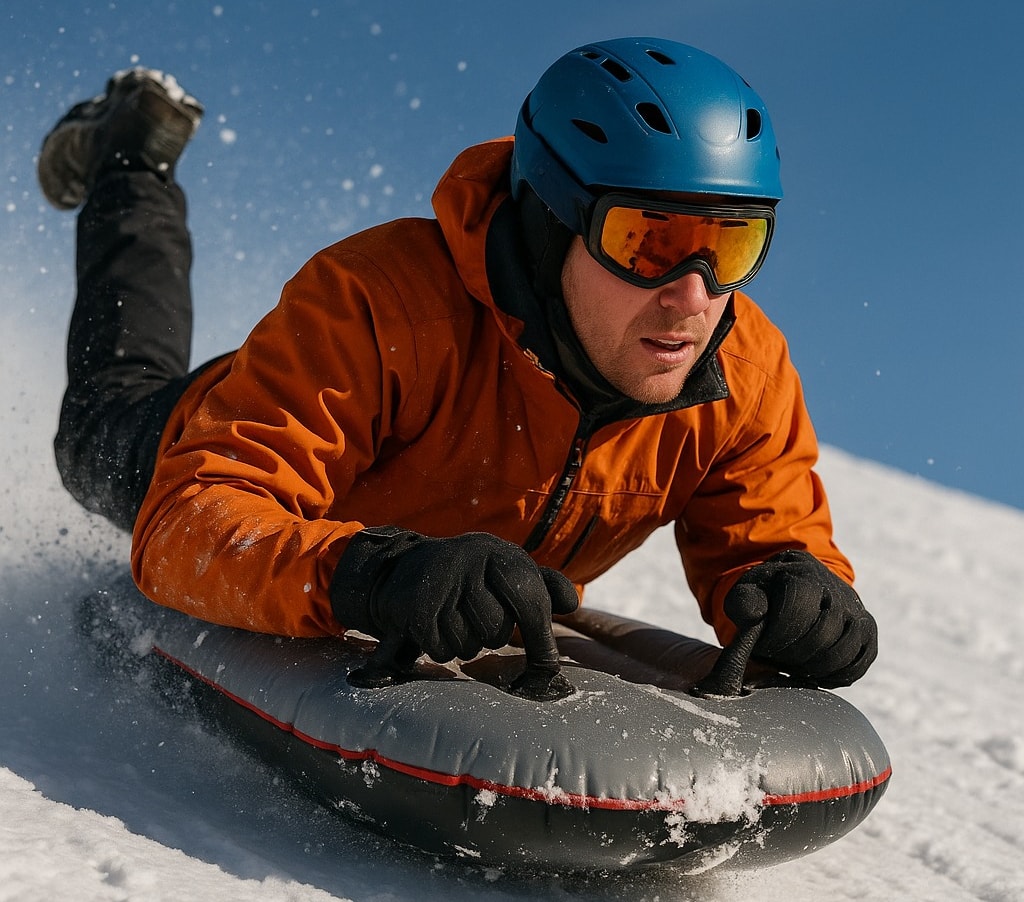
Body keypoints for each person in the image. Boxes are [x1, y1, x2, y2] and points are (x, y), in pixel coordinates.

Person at [39, 39, 877, 700]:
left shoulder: (745, 372)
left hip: (427, 557)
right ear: (551, 224)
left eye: (732, 244)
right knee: (97, 425)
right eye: (645, 241)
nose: (693, 296)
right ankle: (130, 159)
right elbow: (189, 519)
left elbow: (768, 538)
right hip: (205, 434)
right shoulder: (378, 302)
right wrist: (374, 575)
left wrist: (801, 593)